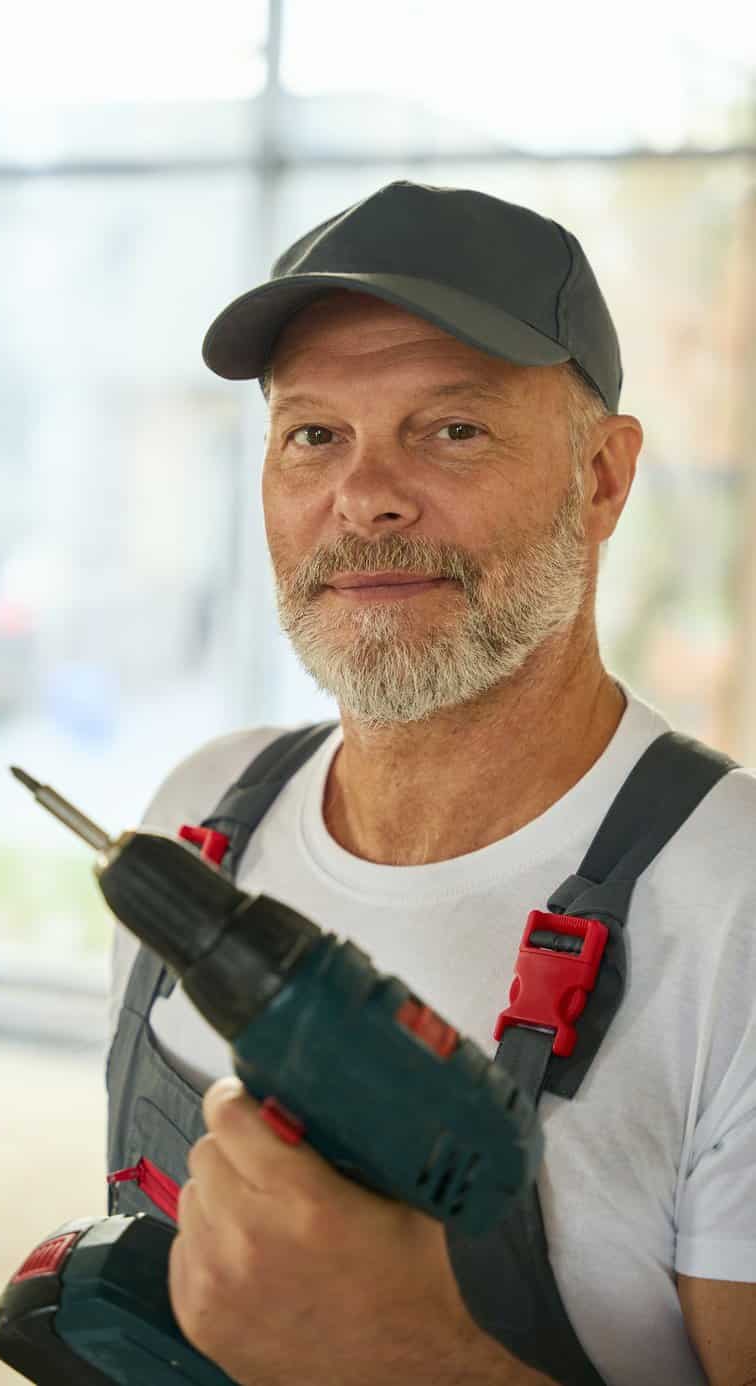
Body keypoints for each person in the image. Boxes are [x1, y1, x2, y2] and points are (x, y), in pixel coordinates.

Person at [107, 182, 756, 1386]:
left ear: (603, 479)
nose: (366, 497)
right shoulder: (202, 816)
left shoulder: (738, 911)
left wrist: (414, 1358)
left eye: (451, 429)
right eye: (315, 436)